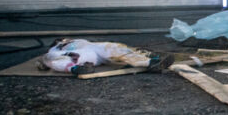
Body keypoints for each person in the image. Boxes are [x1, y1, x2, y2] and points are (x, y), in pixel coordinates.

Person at [39, 38, 173, 76]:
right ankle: (77, 69)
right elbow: (44, 62)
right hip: (83, 55)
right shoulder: (55, 49)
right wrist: (43, 63)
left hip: (93, 48)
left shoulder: (76, 40)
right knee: (50, 57)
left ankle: (151, 62)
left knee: (112, 48)